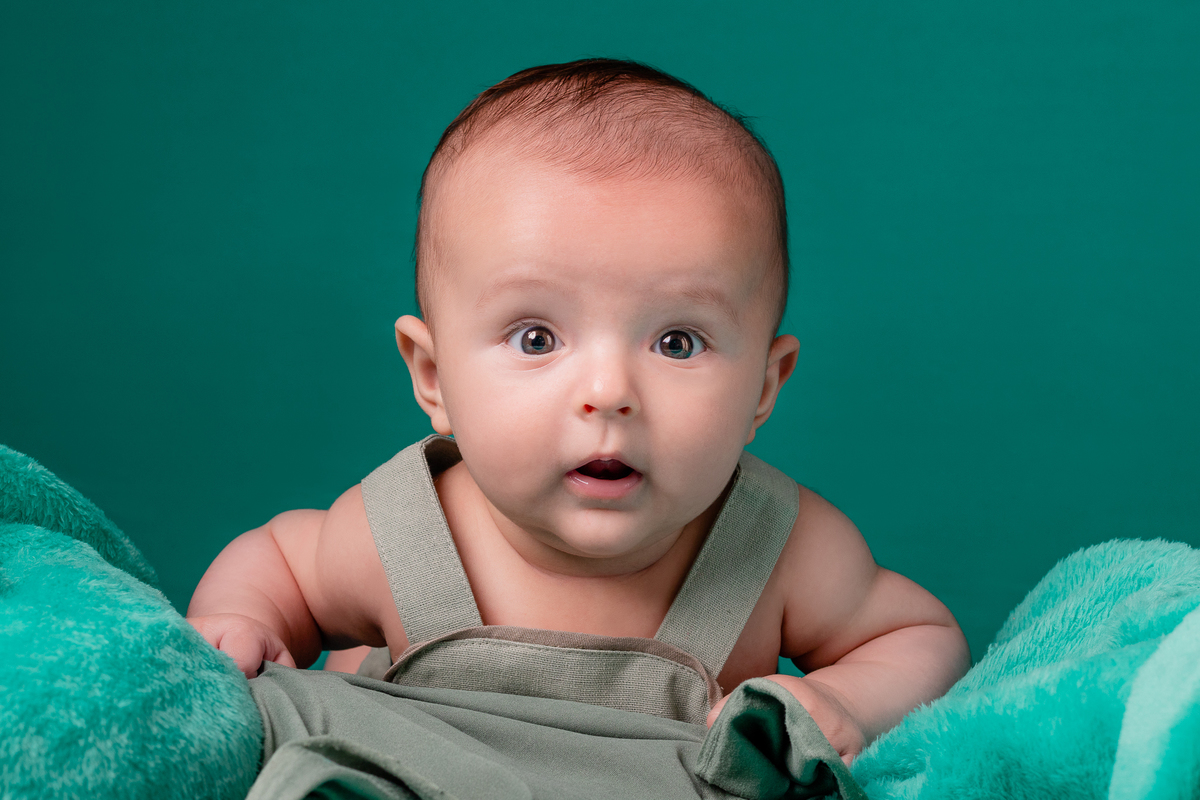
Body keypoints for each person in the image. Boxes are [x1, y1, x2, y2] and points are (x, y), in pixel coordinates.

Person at [186, 58, 970, 764]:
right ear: (434, 378)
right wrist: (242, 624)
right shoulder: (403, 537)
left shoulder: (779, 550)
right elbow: (279, 562)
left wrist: (845, 701)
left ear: (765, 385)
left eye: (677, 341)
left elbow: (919, 637)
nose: (608, 391)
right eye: (536, 337)